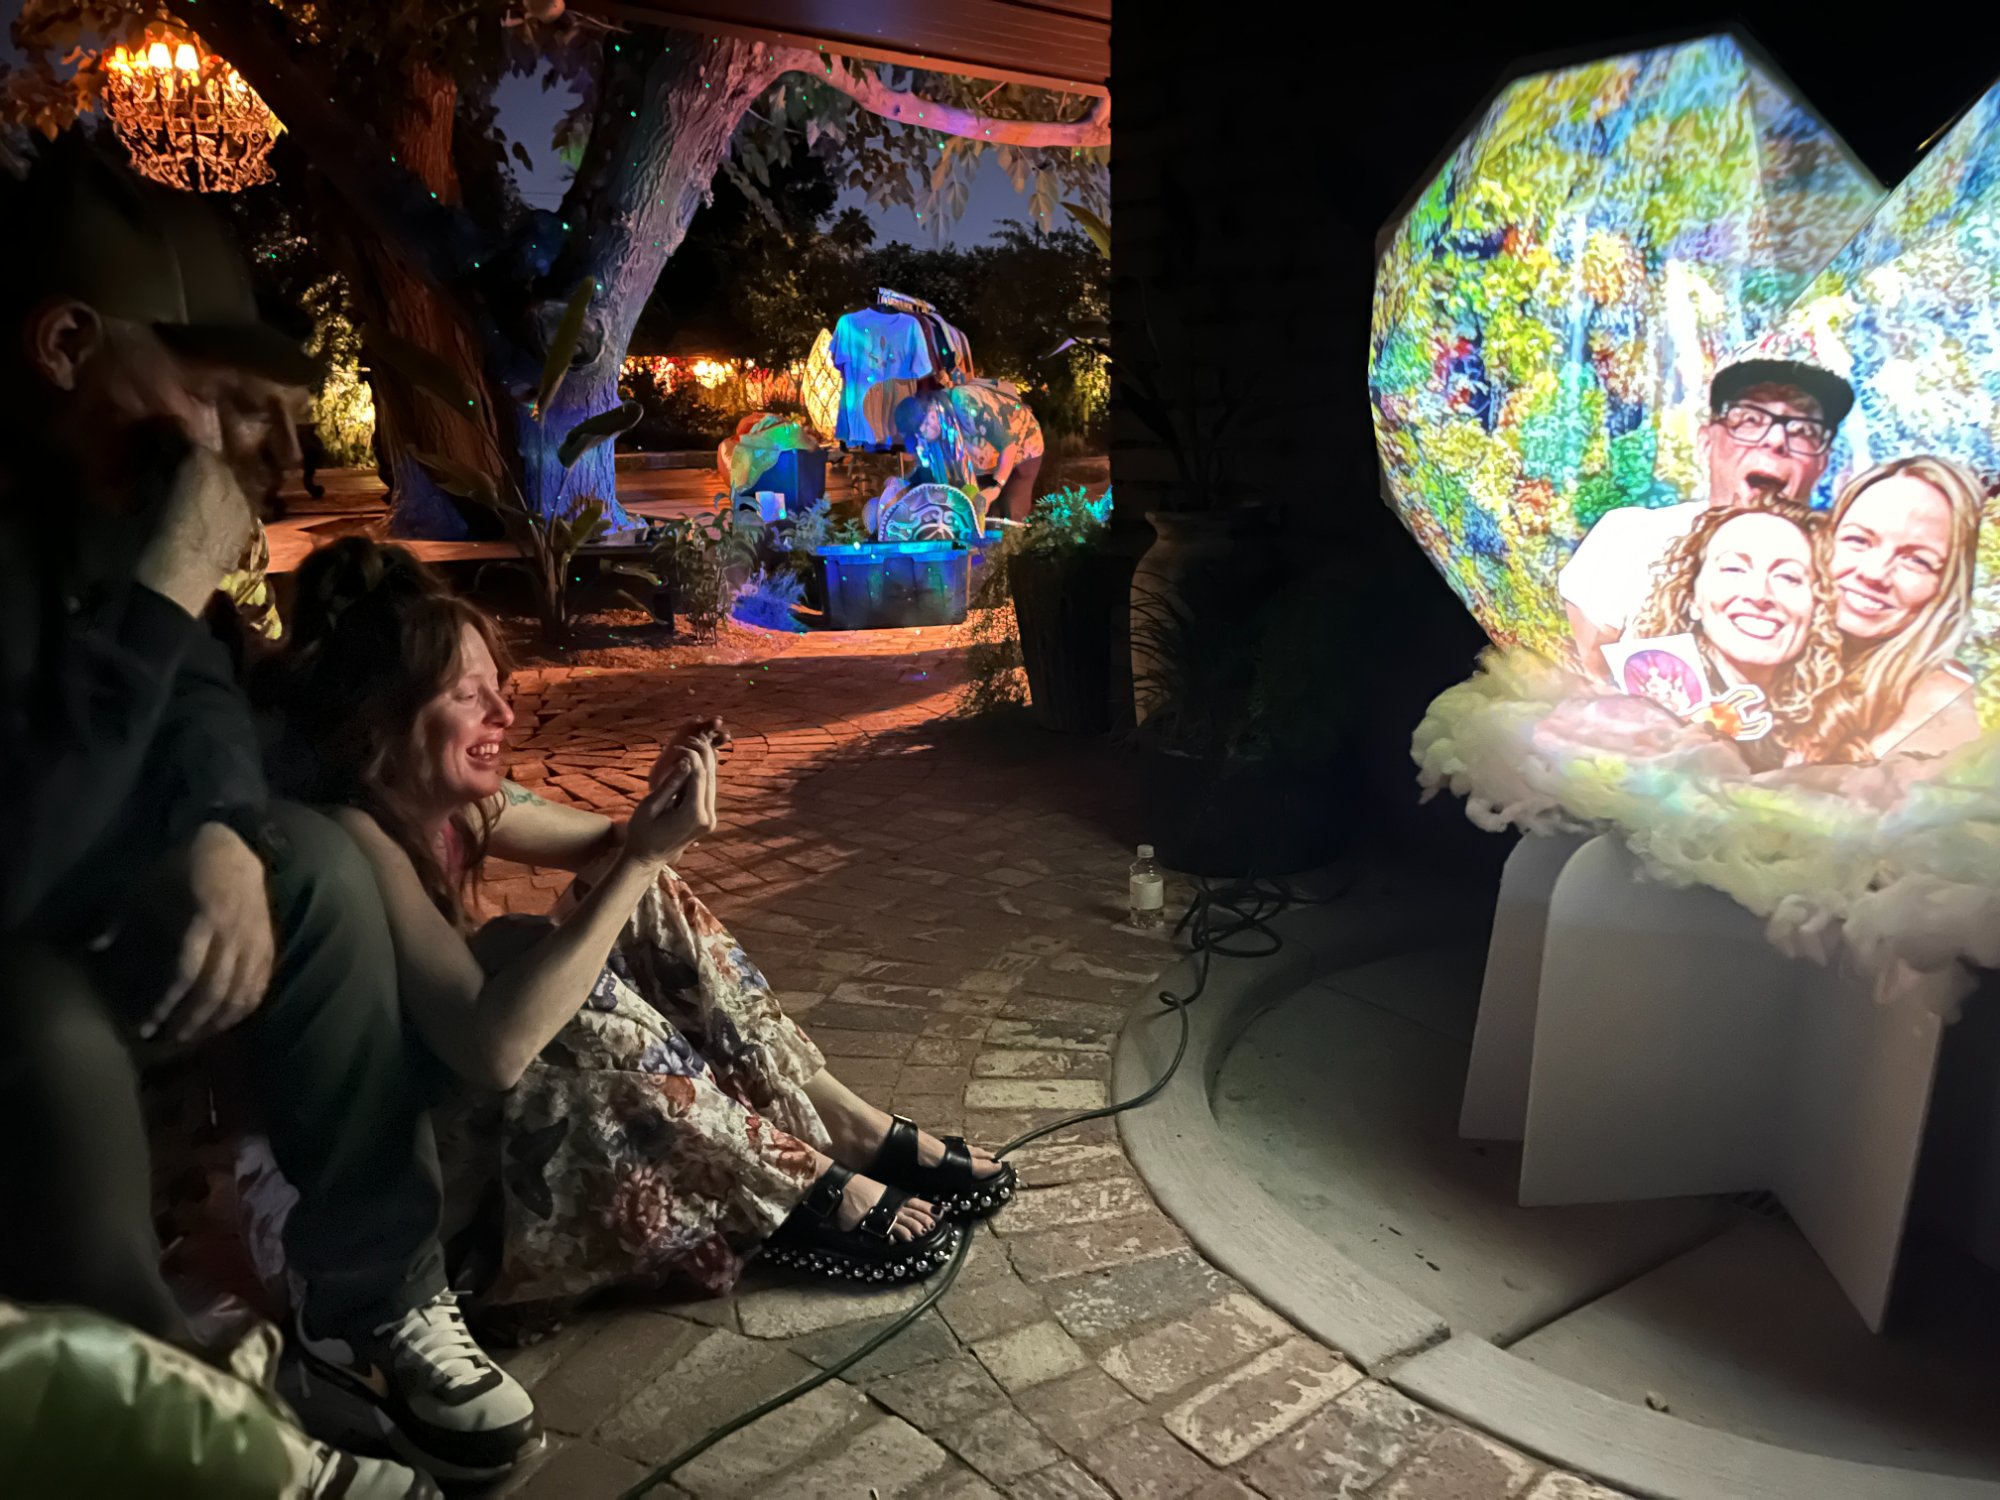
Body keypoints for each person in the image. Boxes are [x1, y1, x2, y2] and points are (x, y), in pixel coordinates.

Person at [0, 143, 534, 1490]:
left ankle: (381, 1295)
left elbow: (199, 711)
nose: (254, 449)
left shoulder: (109, 502)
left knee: (314, 861)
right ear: (67, 343)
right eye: (215, 395)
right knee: (44, 1030)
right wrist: (166, 589)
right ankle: (177, 1416)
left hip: (87, 874)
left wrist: (229, 830)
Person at [260, 539, 1016, 1314]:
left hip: (476, 1097)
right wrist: (638, 861)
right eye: (467, 696)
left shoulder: (459, 804)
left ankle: (846, 1126)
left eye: (501, 688)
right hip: (428, 1161)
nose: (504, 715)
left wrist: (660, 811)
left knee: (634, 898)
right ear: (384, 716)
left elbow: (619, 851)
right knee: (571, 982)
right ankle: (794, 1179)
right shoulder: (360, 834)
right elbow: (491, 1051)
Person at [1562, 358, 1854, 674]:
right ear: (1705, 442)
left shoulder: (1850, 573)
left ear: (1822, 463)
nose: (1777, 441)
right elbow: (1588, 677)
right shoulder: (1629, 538)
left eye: (1804, 430)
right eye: (1750, 419)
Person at [1628, 501, 1844, 768]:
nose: (1759, 594)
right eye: (1734, 569)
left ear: (1819, 606)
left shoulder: (1834, 729)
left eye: (1788, 576)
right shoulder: (1641, 713)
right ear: (1693, 597)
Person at [1815, 457, 1984, 761]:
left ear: (1949, 586)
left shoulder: (1948, 713)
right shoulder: (1776, 661)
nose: (1874, 572)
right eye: (1858, 540)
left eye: (1916, 560)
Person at [946, 377, 1045, 522]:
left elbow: (1008, 446)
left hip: (1022, 449)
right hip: (987, 462)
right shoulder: (932, 432)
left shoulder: (964, 402)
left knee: (1012, 512)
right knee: (977, 512)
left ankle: (1014, 538)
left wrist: (995, 488)